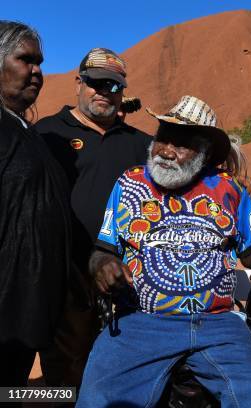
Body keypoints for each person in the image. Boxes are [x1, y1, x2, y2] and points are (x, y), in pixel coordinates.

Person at [76, 96, 251, 407]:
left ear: (205, 152)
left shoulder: (230, 190)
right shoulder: (129, 184)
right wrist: (103, 264)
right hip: (141, 322)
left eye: (182, 144)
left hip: (219, 325)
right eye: (163, 138)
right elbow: (102, 249)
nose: (166, 151)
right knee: (98, 399)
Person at [35, 47, 151, 390]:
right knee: (66, 369)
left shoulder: (142, 144)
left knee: (123, 366)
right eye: (96, 83)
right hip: (64, 277)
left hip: (127, 278)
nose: (104, 92)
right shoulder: (46, 134)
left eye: (113, 86)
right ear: (78, 83)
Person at [0, 21, 72, 388]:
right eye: (25, 59)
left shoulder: (28, 131)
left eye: (40, 62)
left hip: (30, 311)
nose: (37, 71)